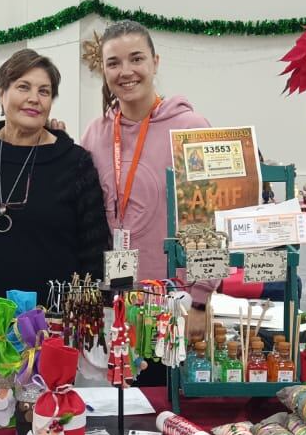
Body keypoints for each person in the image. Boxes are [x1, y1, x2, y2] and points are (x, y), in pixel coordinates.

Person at [79, 20, 215, 339]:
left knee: (160, 389)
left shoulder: (191, 128)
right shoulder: (95, 132)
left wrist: (200, 301)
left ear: (155, 62)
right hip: (109, 302)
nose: (126, 71)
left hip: (174, 300)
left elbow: (208, 221)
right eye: (114, 63)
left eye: (136, 58)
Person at [0, 49, 108, 300]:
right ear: (2, 93)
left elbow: (95, 251)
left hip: (51, 323)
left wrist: (89, 313)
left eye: (44, 91)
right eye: (23, 87)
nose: (34, 98)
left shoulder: (74, 162)